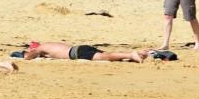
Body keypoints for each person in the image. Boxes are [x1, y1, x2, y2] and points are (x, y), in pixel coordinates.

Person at [21, 41, 150, 63]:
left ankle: (130, 54)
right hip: (80, 48)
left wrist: (28, 53)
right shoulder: (48, 45)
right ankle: (137, 54)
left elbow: (27, 58)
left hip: (76, 53)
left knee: (107, 57)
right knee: (108, 54)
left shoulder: (40, 48)